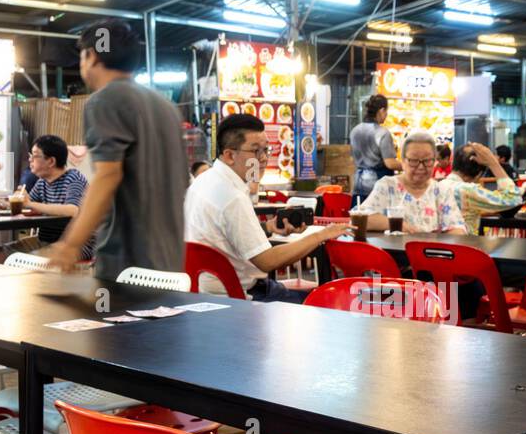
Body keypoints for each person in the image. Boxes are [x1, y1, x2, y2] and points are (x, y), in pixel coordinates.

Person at [45, 18, 187, 278]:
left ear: (93, 55)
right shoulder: (165, 106)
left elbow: (108, 175)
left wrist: (71, 244)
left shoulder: (105, 100)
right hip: (170, 261)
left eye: (82, 55)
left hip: (127, 263)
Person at [185, 113, 345, 302]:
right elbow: (267, 261)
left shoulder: (203, 181)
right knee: (325, 302)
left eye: (266, 150)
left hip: (200, 291)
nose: (263, 159)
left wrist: (268, 227)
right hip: (239, 298)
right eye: (255, 151)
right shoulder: (232, 196)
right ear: (229, 155)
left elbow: (224, 236)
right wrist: (321, 235)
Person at [355, 130, 465, 234]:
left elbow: (458, 230)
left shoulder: (442, 191)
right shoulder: (387, 186)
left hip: (430, 252)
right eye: (413, 161)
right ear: (402, 161)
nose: (421, 167)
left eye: (427, 161)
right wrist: (398, 225)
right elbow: (360, 219)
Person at [23, 134, 93, 260]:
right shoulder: (42, 182)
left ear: (51, 161)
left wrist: (30, 203)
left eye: (35, 156)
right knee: (0, 253)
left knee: (33, 259)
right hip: (47, 241)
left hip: (77, 244)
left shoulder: (73, 179)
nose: (30, 159)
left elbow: (72, 210)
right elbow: (27, 204)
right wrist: (2, 202)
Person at [442, 142, 522, 233]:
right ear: (479, 174)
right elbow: (514, 199)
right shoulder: (468, 191)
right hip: (466, 245)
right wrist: (493, 163)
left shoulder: (438, 186)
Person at [349, 94, 401, 205]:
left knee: (359, 219)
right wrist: (407, 165)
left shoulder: (355, 131)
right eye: (386, 112)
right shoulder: (382, 133)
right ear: (382, 111)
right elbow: (390, 163)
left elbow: (352, 158)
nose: (386, 115)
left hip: (358, 184)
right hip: (377, 186)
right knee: (377, 220)